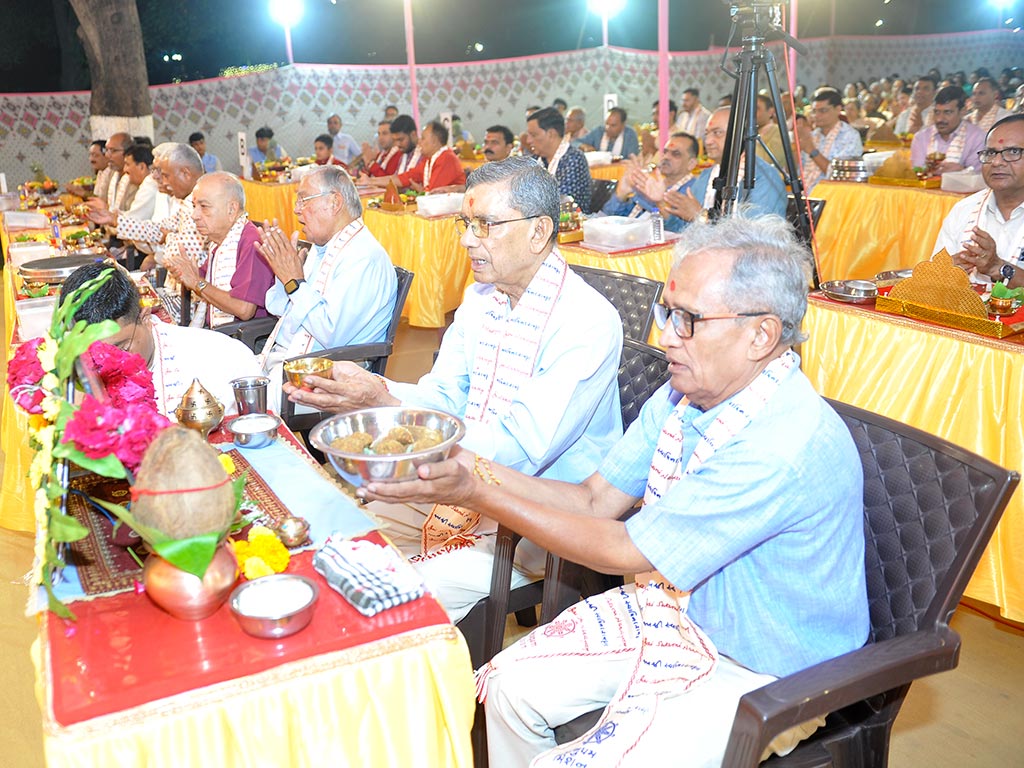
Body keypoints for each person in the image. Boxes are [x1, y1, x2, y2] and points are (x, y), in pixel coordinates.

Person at [358, 212, 869, 767]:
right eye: (667, 312)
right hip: (681, 614)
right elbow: (594, 500)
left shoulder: (779, 444)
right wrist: (467, 466)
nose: (665, 336)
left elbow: (624, 549)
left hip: (766, 669)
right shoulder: (684, 398)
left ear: (761, 335)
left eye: (688, 320)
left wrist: (475, 491)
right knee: (507, 690)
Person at [284, 157, 623, 621]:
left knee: (386, 596)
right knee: (328, 531)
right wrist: (380, 395)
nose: (466, 239)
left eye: (485, 225)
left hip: (538, 519)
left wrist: (409, 426)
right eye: (466, 224)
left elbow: (519, 450)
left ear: (539, 232)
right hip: (461, 479)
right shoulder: (481, 299)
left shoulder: (585, 321)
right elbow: (443, 396)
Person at [60, 262, 261, 418]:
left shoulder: (224, 359)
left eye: (121, 348)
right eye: (95, 355)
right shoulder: (70, 376)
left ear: (145, 319)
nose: (109, 365)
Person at [256, 165, 397, 384]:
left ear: (334, 202)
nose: (296, 210)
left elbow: (330, 334)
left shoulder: (363, 256)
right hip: (286, 358)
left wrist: (294, 283)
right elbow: (277, 308)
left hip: (323, 376)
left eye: (304, 200)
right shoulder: (323, 247)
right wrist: (283, 275)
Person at [163, 172, 275, 328]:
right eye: (194, 206)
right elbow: (204, 282)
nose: (194, 215)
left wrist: (196, 282)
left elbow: (244, 309)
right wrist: (185, 273)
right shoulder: (219, 241)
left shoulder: (252, 241)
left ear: (231, 209)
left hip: (240, 336)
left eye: (204, 207)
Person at [934, 115, 1024, 287]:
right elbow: (931, 282)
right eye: (990, 153)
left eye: (1013, 152)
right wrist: (945, 274)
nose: (996, 162)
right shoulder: (964, 210)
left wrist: (998, 268)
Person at [88, 143, 206, 272]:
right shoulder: (187, 200)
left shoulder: (203, 200)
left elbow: (186, 254)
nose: (163, 181)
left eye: (166, 176)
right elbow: (158, 229)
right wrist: (115, 220)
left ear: (186, 174)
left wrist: (168, 238)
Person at [660, 107, 787, 224]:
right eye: (707, 134)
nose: (708, 141)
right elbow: (683, 228)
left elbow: (756, 235)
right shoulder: (707, 176)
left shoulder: (764, 177)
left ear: (739, 134)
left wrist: (701, 216)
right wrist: (658, 202)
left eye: (717, 133)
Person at [601, 131, 699, 233]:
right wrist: (621, 195)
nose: (666, 157)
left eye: (676, 154)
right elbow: (610, 219)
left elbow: (682, 231)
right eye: (665, 152)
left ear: (691, 164)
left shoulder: (694, 191)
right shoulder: (651, 182)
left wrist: (659, 203)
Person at [525, 106, 593, 213]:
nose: (528, 140)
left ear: (551, 134)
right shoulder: (536, 159)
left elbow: (560, 202)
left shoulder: (573, 158)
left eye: (533, 135)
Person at [796, 87, 863, 191]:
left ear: (838, 109)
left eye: (823, 111)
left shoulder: (850, 136)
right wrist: (795, 146)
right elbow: (795, 172)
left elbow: (839, 176)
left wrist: (813, 151)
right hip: (806, 192)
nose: (816, 116)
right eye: (814, 111)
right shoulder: (812, 135)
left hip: (832, 194)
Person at [910, 86, 986, 174]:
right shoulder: (921, 138)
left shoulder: (977, 138)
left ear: (962, 111)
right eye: (937, 112)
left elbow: (978, 175)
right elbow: (917, 172)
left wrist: (962, 171)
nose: (940, 119)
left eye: (947, 112)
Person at [377, 120, 466, 193]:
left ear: (434, 141)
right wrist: (372, 181)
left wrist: (421, 191)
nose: (419, 142)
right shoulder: (428, 160)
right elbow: (405, 177)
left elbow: (434, 195)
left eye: (423, 138)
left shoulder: (447, 158)